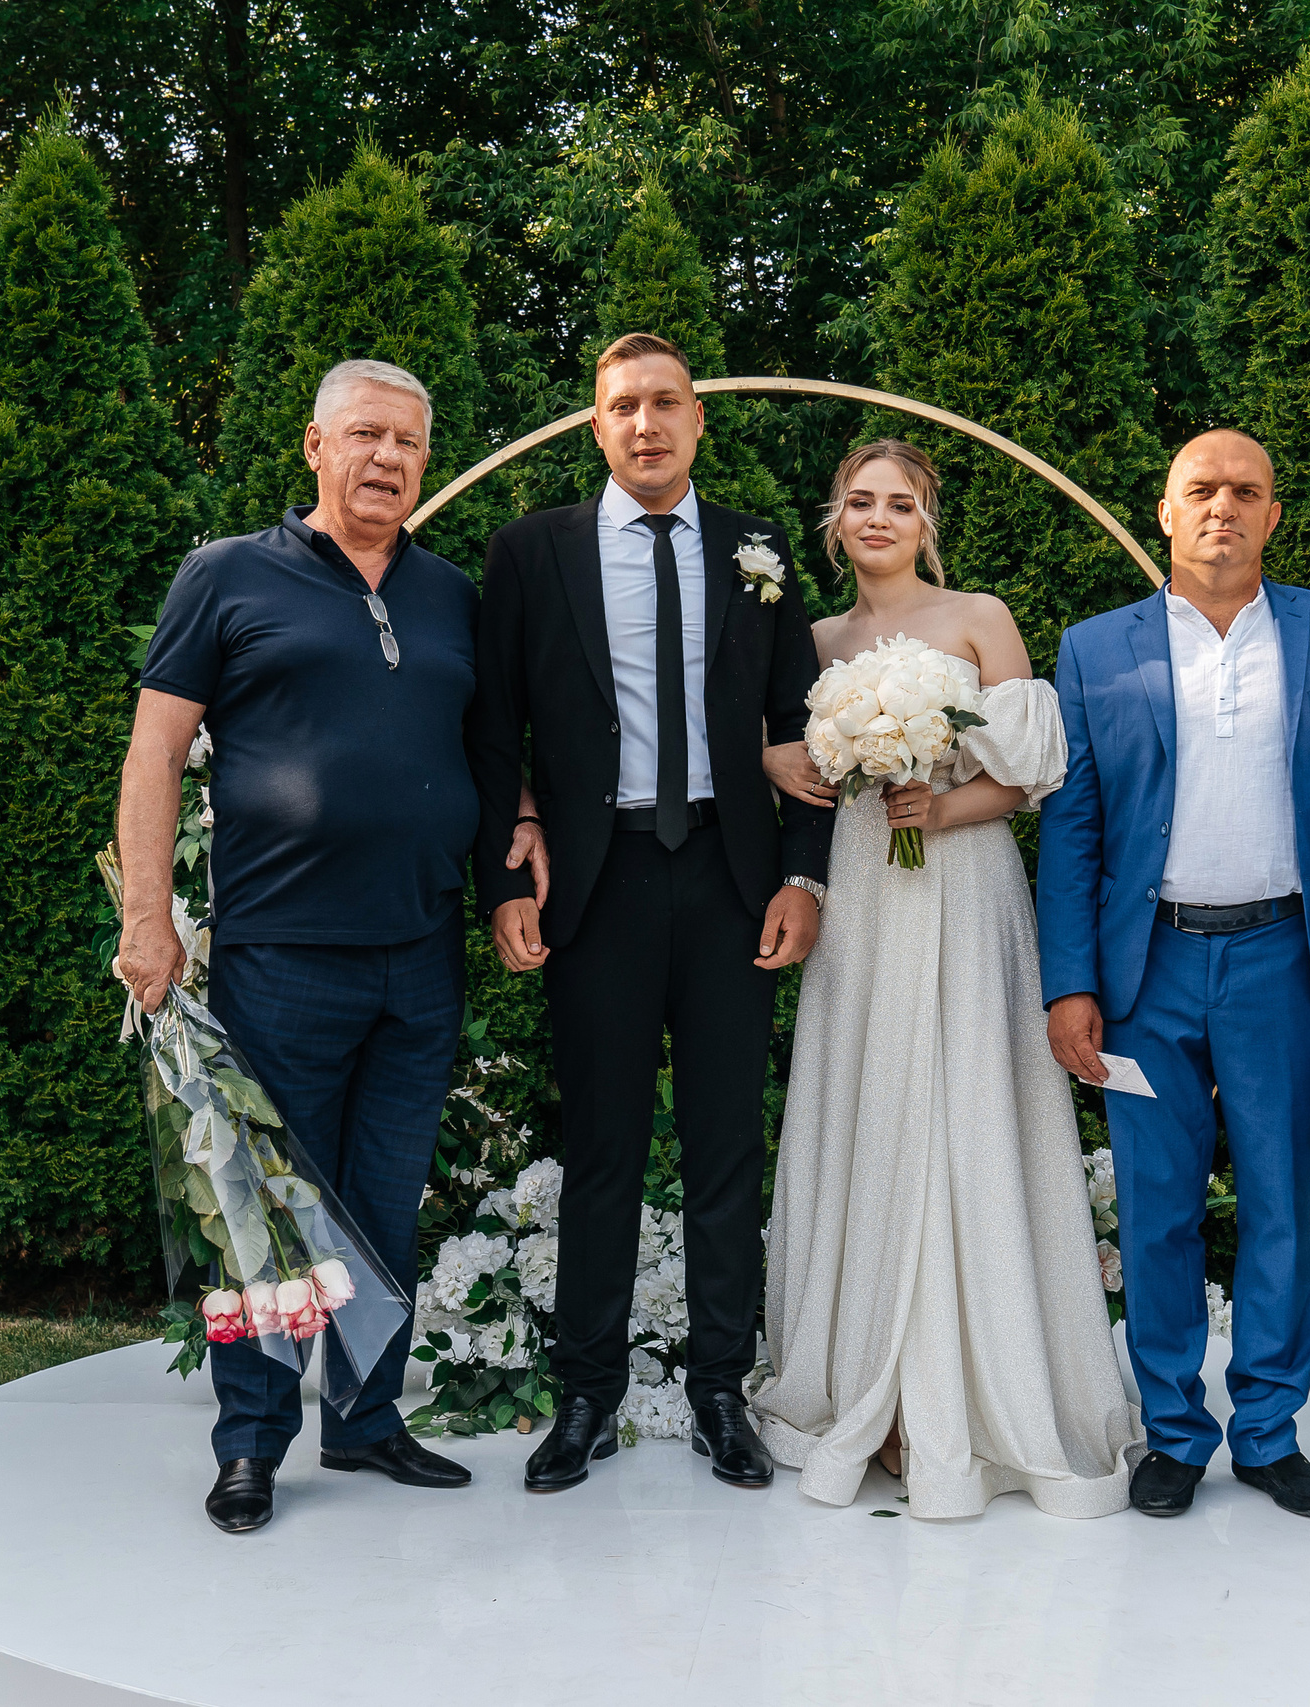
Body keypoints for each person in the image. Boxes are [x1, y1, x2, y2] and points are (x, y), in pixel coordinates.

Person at [116, 358, 547, 1534]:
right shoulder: (228, 576)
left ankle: (365, 1424)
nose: (386, 460)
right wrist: (148, 918)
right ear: (314, 446)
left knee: (381, 1200)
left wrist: (514, 839)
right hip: (281, 957)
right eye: (363, 436)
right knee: (259, 1208)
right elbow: (154, 754)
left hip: (420, 953)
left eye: (407, 443)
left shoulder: (451, 591)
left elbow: (488, 755)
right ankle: (251, 1443)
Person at [467, 332, 830, 1494]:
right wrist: (504, 875)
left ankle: (723, 1393)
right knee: (602, 1150)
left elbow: (803, 733)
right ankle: (586, 1399)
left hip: (731, 881)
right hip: (597, 883)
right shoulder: (532, 554)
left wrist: (803, 877)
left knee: (727, 1145)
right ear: (594, 426)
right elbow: (491, 732)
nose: (645, 424)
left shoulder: (756, 551)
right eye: (622, 406)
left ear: (697, 420)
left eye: (665, 403)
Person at [751, 441, 1140, 1519]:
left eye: (901, 503)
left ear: (926, 520)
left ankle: (975, 1396)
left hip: (962, 887)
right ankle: (870, 1389)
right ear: (834, 520)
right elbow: (788, 770)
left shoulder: (979, 616)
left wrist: (941, 804)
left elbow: (1027, 779)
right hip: (864, 898)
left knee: (963, 1104)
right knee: (872, 1107)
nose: (880, 518)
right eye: (860, 501)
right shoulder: (817, 640)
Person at [1038, 430, 1310, 1521]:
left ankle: (1268, 1431)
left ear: (1274, 516)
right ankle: (1174, 1432)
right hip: (1148, 967)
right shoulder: (1095, 649)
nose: (1222, 507)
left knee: (1279, 1199)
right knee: (1156, 1208)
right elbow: (1074, 826)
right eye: (1201, 491)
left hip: (1284, 954)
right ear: (1164, 512)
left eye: (1245, 492)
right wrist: (1067, 982)